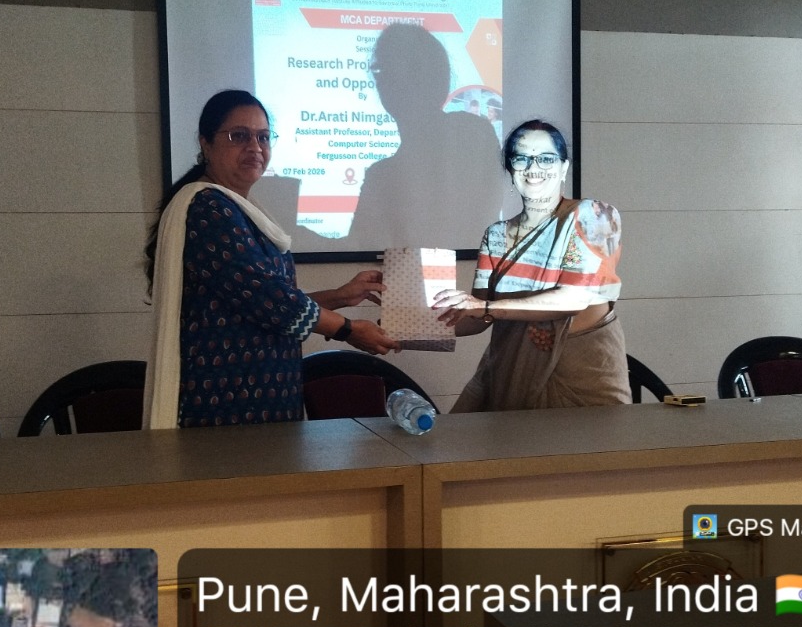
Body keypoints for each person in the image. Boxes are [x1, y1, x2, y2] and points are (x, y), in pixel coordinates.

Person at [144, 90, 400, 428]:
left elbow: (259, 307)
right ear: (206, 143)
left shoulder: (239, 208)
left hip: (261, 396)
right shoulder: (209, 208)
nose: (255, 147)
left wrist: (340, 296)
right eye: (239, 136)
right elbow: (270, 300)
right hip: (227, 404)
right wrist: (348, 330)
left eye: (263, 137)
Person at [432, 119, 631, 410]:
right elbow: (477, 318)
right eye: (522, 158)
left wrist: (485, 307)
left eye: (546, 159)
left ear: (564, 167)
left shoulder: (593, 215)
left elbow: (574, 298)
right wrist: (405, 330)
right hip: (508, 375)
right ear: (510, 169)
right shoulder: (496, 235)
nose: (533, 168)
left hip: (579, 386)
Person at [343, 23, 507, 252]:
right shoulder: (381, 175)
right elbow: (360, 246)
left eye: (386, 69)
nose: (382, 79)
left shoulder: (471, 135)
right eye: (379, 70)